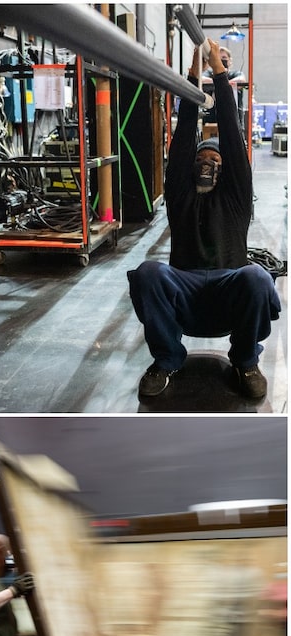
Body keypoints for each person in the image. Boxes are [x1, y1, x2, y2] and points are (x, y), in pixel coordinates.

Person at [128, 40, 281, 399]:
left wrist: (220, 74)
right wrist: (192, 77)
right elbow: (182, 143)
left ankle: (245, 361)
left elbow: (231, 133)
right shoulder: (181, 198)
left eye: (215, 160)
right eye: (202, 158)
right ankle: (167, 359)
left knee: (258, 276)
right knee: (148, 272)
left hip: (230, 292)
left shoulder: (237, 199)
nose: (207, 163)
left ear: (227, 171)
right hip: (184, 293)